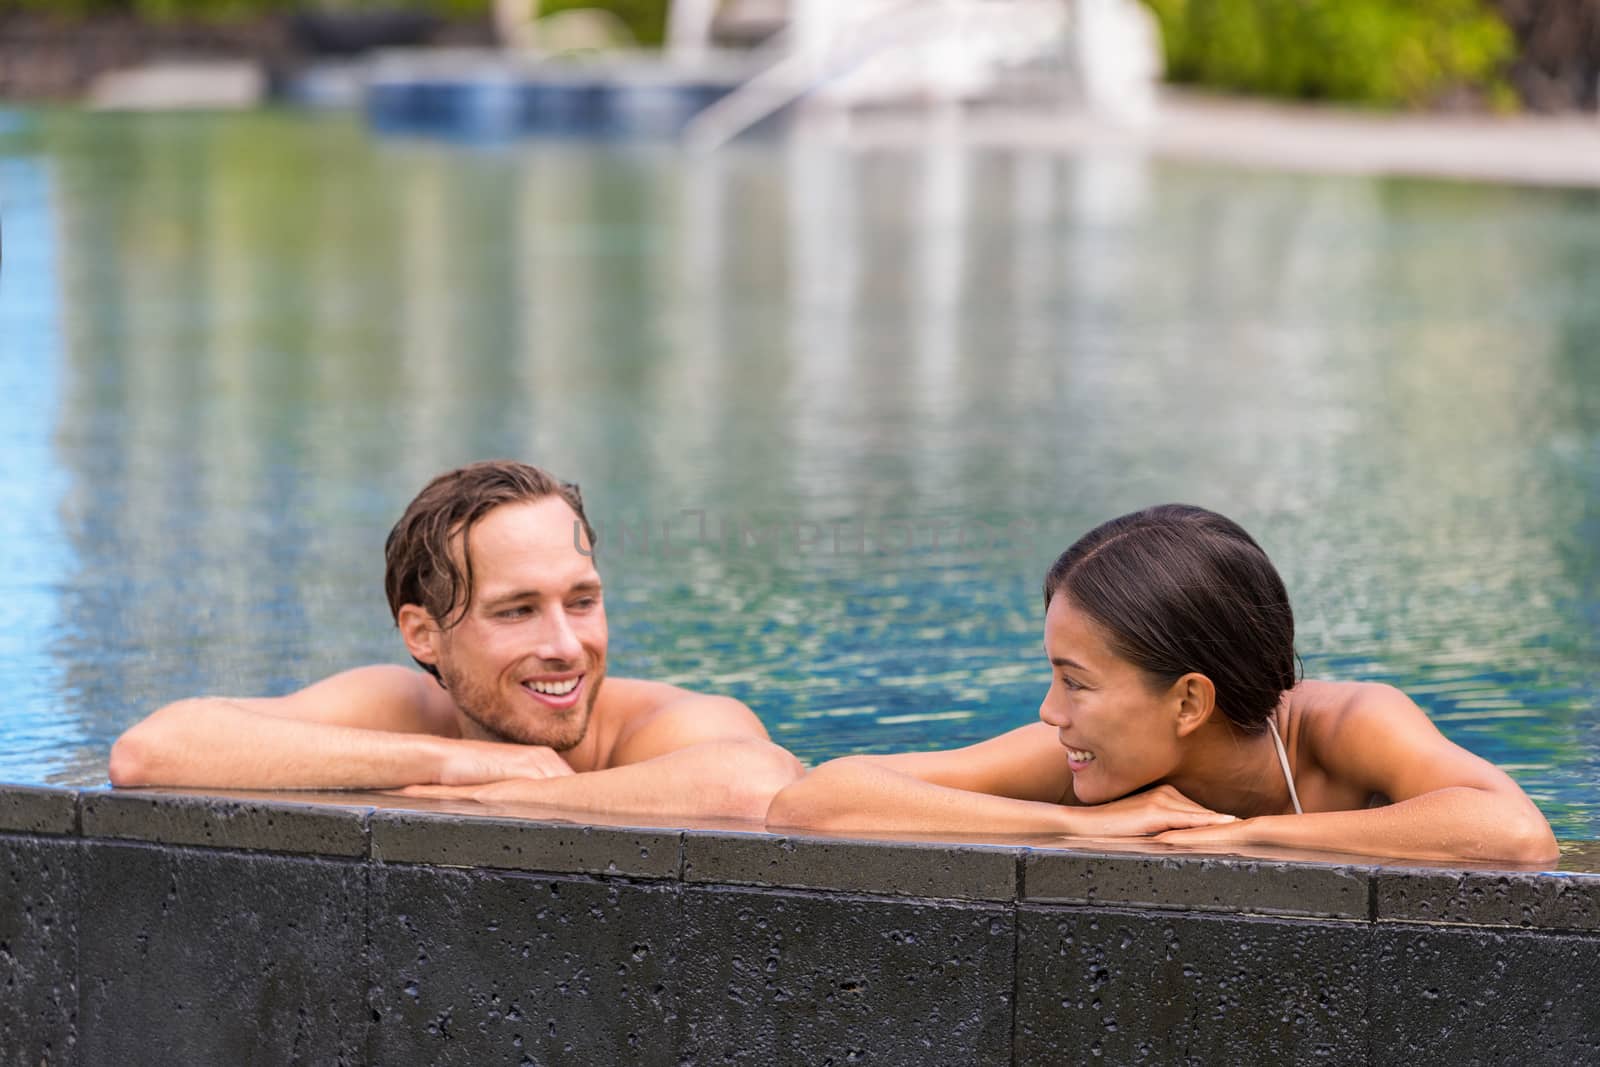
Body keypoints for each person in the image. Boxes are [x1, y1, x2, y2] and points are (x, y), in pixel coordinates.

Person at [767, 504, 1559, 863]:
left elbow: (1516, 833)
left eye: (1075, 683)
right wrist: (1076, 828)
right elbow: (813, 800)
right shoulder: (1085, 762)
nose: (1051, 712)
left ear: (1189, 700)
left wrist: (1251, 836)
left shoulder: (1348, 724)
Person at [109, 460, 802, 820]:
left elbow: (757, 784)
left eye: (582, 601)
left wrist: (494, 797)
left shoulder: (666, 724)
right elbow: (150, 751)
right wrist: (451, 762)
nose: (566, 645)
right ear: (423, 634)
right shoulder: (403, 712)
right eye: (517, 611)